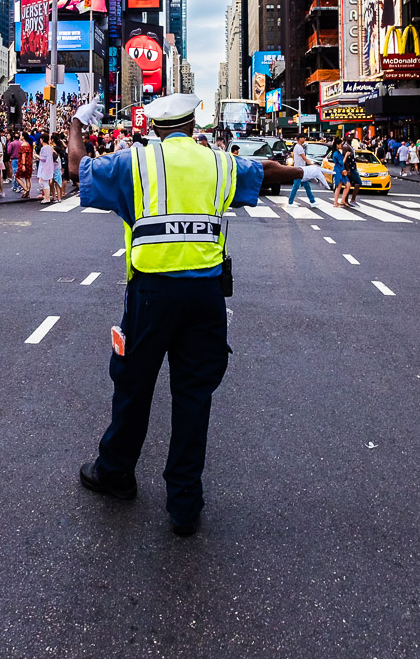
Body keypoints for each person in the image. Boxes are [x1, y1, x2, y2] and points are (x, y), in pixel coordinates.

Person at [68, 93, 324, 537]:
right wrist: (306, 171)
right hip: (206, 297)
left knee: (133, 386)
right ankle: (184, 504)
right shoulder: (218, 163)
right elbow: (264, 171)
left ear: (154, 128)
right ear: (192, 125)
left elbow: (77, 168)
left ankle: (115, 473)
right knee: (193, 396)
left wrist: (76, 122)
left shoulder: (135, 162)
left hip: (151, 295)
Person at [287, 134, 317, 205]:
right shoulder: (299, 147)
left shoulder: (298, 147)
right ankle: (290, 202)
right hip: (299, 170)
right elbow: (304, 158)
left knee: (307, 186)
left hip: (302, 170)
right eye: (303, 138)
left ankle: (312, 201)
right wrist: (311, 164)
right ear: (300, 138)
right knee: (296, 186)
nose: (305, 139)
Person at [37, 134, 56, 203]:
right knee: (43, 182)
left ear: (42, 139)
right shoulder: (49, 147)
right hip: (48, 166)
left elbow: (43, 158)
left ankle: (47, 198)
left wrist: (37, 156)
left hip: (44, 166)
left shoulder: (44, 148)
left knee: (44, 182)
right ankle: (46, 197)